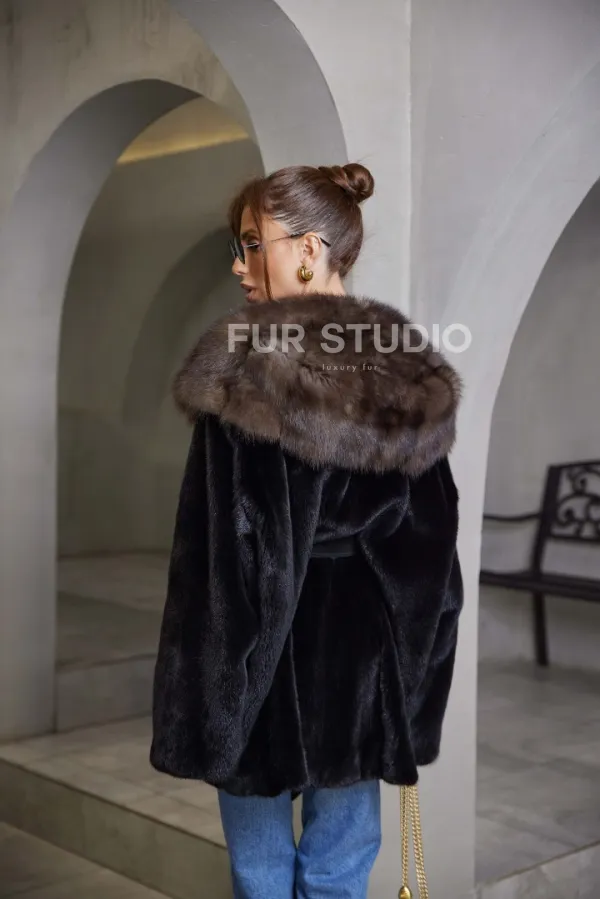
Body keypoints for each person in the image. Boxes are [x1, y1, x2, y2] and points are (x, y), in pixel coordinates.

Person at [150, 162, 463, 898]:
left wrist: (206, 679)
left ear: (308, 249)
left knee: (261, 868)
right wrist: (408, 674)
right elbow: (429, 555)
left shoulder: (241, 369)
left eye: (251, 243)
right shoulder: (407, 371)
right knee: (339, 865)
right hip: (358, 655)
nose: (239, 264)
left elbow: (211, 554)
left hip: (251, 648)